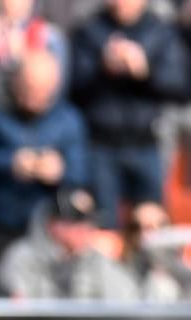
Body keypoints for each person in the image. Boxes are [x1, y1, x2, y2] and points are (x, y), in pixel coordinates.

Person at [72, 0, 188, 228]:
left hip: (146, 142)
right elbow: (73, 86)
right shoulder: (89, 29)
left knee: (152, 222)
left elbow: (180, 87)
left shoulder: (161, 31)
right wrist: (102, 67)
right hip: (101, 144)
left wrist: (145, 70)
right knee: (104, 224)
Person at [0, 49, 88, 254]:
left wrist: (59, 172)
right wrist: (10, 163)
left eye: (43, 91)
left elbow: (79, 174)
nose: (35, 98)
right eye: (29, 89)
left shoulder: (68, 118)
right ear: (15, 80)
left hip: (44, 227)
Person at [0, 186, 141, 299]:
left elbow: (127, 301)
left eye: (89, 223)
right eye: (75, 223)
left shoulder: (95, 257)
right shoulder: (23, 256)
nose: (84, 230)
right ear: (52, 224)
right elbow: (18, 309)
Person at [0, 0, 69, 106]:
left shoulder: (49, 37)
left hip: (39, 121)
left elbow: (56, 96)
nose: (10, 2)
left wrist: (22, 61)